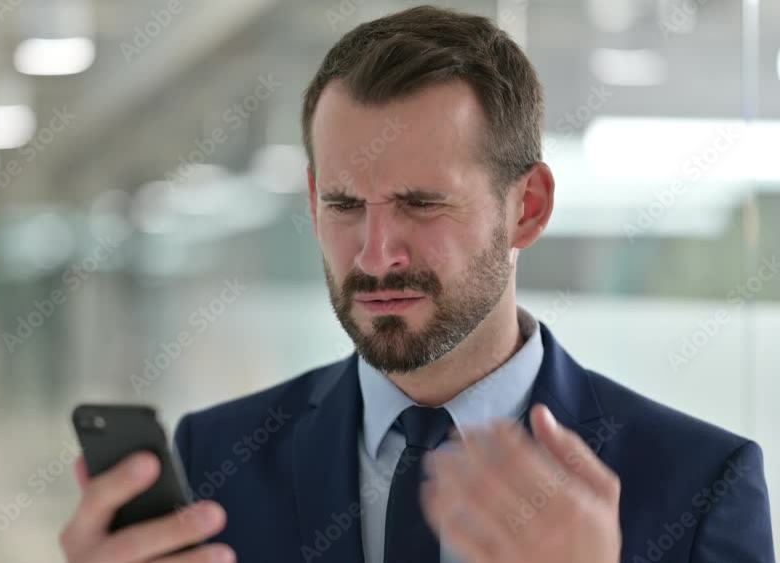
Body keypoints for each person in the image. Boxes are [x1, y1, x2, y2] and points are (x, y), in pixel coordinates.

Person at [59, 5, 774, 563]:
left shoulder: (700, 483)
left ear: (527, 207)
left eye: (421, 203)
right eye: (343, 205)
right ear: (312, 201)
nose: (375, 254)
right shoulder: (220, 456)